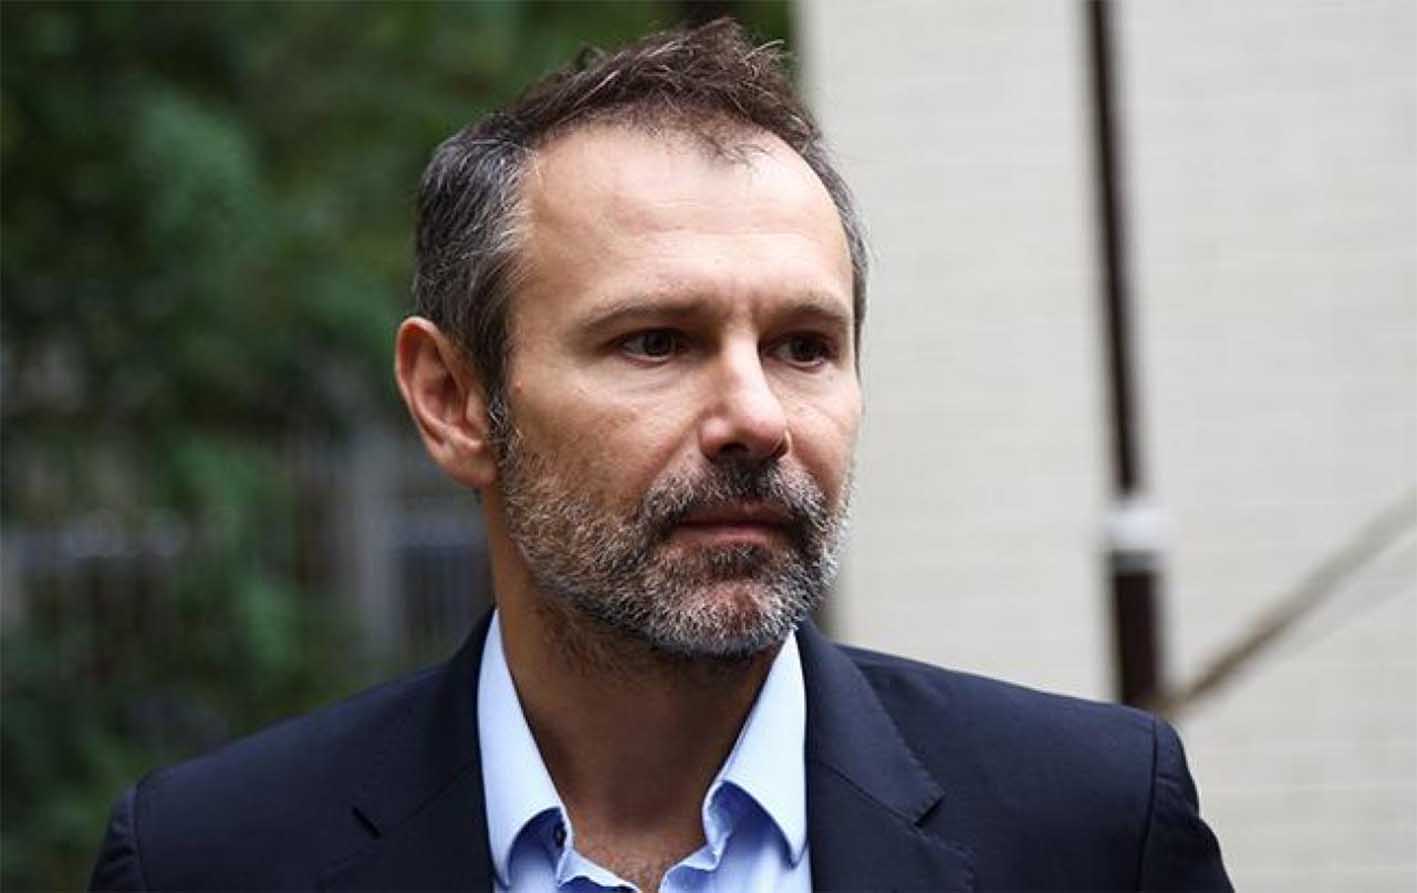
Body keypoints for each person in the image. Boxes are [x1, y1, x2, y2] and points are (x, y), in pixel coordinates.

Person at [89, 19, 1231, 892]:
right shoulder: (210, 857)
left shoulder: (1092, 826)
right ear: (454, 400)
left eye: (802, 345)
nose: (755, 418)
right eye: (656, 341)